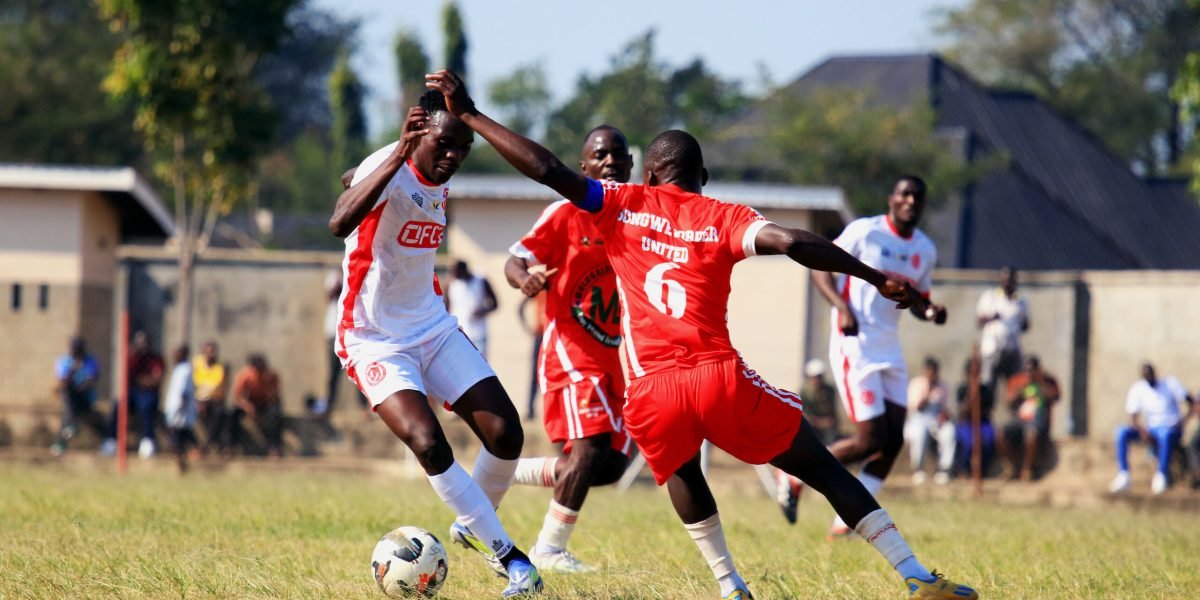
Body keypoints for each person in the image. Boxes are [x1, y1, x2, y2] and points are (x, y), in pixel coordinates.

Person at [426, 69, 977, 600]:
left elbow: (546, 167)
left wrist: (471, 114)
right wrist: (876, 278)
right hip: (716, 376)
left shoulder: (622, 204)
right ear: (704, 177)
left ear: (647, 177)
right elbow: (793, 242)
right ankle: (914, 574)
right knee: (822, 468)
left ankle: (729, 586)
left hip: (647, 394)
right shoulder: (724, 215)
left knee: (679, 468)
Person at [327, 89, 542, 596]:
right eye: (445, 145)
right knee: (427, 442)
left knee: (507, 433)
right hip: (373, 338)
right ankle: (512, 558)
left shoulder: (435, 171)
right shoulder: (394, 162)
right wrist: (393, 157)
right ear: (418, 132)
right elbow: (339, 221)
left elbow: (352, 178)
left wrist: (375, 166)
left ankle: (474, 526)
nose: (453, 158)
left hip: (432, 326)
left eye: (463, 151)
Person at [504, 125, 635, 573]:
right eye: (600, 155)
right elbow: (515, 259)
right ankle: (549, 549)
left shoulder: (638, 214)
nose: (611, 161)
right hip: (569, 352)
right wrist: (525, 279)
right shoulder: (565, 213)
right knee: (590, 451)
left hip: (612, 360)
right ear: (583, 168)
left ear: (632, 165)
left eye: (619, 154)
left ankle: (495, 477)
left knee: (613, 466)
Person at [809, 175, 948, 538]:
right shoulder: (864, 232)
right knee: (869, 439)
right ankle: (796, 472)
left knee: (894, 441)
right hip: (855, 341)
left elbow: (918, 302)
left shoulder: (925, 249)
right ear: (891, 198)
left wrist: (931, 311)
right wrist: (841, 307)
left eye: (918, 195)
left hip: (890, 346)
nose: (911, 201)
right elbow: (820, 268)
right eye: (904, 193)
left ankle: (846, 522)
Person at [1109, 363, 1191, 495]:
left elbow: (1191, 403)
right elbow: (1133, 416)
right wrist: (1142, 431)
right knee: (1121, 432)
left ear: (1155, 373)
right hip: (1149, 429)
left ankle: (1161, 476)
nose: (1148, 377)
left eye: (1150, 374)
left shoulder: (1170, 384)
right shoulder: (1138, 388)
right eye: (1145, 375)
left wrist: (1183, 422)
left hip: (1170, 429)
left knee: (1165, 434)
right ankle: (1123, 475)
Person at [774, 359, 840, 523]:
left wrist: (832, 425)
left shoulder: (829, 390)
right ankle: (791, 480)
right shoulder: (804, 391)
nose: (817, 379)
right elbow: (803, 414)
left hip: (826, 432)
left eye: (819, 376)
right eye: (814, 376)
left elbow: (833, 411)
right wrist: (820, 422)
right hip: (809, 430)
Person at [998, 356, 1059, 481]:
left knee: (1031, 434)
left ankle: (1027, 469)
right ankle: (1013, 467)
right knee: (1000, 434)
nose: (1029, 373)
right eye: (1026, 370)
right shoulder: (1018, 381)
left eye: (1032, 370)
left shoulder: (1048, 381)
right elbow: (1009, 402)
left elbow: (1055, 397)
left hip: (1038, 420)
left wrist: (1040, 382)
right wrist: (1021, 389)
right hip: (1020, 420)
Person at [105, 331, 164, 458]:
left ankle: (147, 440)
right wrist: (142, 379)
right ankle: (111, 440)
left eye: (145, 343)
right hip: (133, 392)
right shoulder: (132, 358)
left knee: (146, 407)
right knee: (118, 406)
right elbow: (127, 377)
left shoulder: (156, 359)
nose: (142, 346)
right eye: (140, 343)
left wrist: (142, 381)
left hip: (149, 394)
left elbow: (155, 381)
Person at [904, 357, 955, 485]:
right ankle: (918, 469)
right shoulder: (916, 384)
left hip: (936, 420)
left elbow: (946, 409)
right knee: (921, 433)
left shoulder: (943, 386)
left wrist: (944, 415)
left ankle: (943, 469)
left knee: (949, 432)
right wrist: (928, 390)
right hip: (918, 420)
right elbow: (917, 408)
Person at [50, 336, 104, 456]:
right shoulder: (64, 361)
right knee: (68, 396)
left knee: (68, 411)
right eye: (73, 349)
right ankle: (69, 426)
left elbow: (91, 381)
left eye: (78, 349)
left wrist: (79, 388)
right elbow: (62, 383)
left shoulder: (91, 362)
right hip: (70, 398)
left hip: (85, 399)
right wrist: (73, 369)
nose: (76, 351)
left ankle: (61, 441)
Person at [976, 267, 1028, 386]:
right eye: (1006, 279)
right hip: (992, 350)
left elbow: (1025, 324)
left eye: (1011, 279)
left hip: (1012, 350)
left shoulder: (1020, 301)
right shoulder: (990, 297)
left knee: (1015, 385)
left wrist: (1014, 326)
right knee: (988, 385)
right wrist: (992, 318)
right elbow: (979, 320)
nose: (1008, 282)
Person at [231, 354, 284, 456]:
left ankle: (275, 447)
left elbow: (276, 395)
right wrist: (247, 407)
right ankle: (231, 445)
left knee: (276, 414)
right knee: (234, 412)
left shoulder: (271, 375)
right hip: (250, 404)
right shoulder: (245, 375)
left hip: (266, 404)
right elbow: (238, 397)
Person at [954, 352, 996, 477]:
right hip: (966, 424)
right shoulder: (962, 389)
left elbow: (988, 410)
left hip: (983, 423)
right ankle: (963, 470)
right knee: (969, 443)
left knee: (989, 440)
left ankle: (983, 471)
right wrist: (971, 397)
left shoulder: (985, 389)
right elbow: (962, 411)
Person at [447, 259, 499, 358]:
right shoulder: (451, 283)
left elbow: (495, 304)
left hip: (479, 333)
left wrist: (482, 312)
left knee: (482, 367)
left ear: (464, 271)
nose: (455, 276)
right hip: (458, 334)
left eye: (457, 273)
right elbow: (445, 308)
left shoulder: (481, 280)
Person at [163, 345, 197, 471]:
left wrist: (178, 410)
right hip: (177, 411)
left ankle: (182, 463)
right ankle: (183, 463)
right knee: (180, 440)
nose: (174, 356)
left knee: (174, 440)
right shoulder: (179, 369)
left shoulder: (184, 370)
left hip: (179, 412)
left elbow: (183, 392)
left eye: (177, 353)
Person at [193, 340, 229, 456]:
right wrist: (199, 403)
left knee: (220, 413)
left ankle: (208, 444)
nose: (210, 354)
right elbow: (193, 386)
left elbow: (221, 389)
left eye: (212, 351)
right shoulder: (196, 365)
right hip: (198, 401)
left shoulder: (220, 368)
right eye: (208, 351)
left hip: (214, 401)